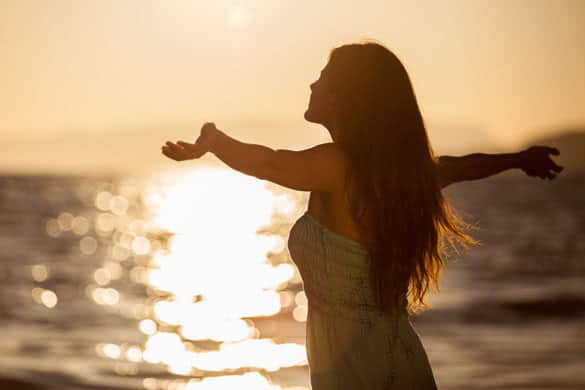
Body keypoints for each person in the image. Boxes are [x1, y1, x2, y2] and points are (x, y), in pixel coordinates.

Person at [161, 41, 562, 389]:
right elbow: (460, 166)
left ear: (345, 96)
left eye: (323, 76)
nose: (313, 84)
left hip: (360, 368)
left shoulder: (339, 165)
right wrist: (516, 159)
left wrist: (216, 142)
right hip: (389, 354)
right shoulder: (397, 172)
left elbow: (271, 162)